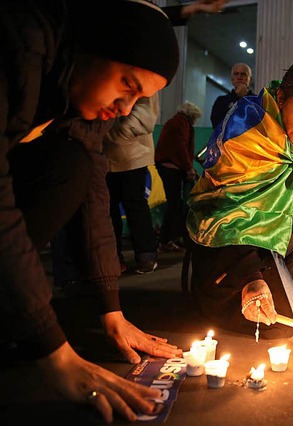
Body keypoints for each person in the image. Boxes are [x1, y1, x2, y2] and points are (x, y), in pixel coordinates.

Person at [0, 0, 193, 423]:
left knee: (77, 167)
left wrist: (111, 308)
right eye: (127, 84)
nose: (125, 108)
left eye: (138, 98)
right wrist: (52, 350)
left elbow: (92, 193)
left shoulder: (77, 90)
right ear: (92, 46)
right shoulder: (19, 45)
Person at [185, 57, 293, 338]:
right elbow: (224, 210)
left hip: (273, 231)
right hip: (229, 243)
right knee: (282, 323)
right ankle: (269, 286)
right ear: (281, 98)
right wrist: (252, 276)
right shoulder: (246, 131)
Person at [104, 94, 160, 275]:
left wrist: (123, 130)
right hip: (112, 150)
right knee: (111, 207)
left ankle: (144, 255)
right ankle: (117, 256)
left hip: (130, 152)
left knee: (133, 205)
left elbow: (147, 110)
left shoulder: (143, 73)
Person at [155, 101, 202, 253]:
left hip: (171, 168)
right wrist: (189, 168)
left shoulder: (176, 123)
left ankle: (170, 239)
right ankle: (166, 239)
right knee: (174, 205)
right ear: (192, 116)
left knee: (175, 204)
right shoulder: (180, 124)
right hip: (171, 169)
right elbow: (181, 148)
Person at [210, 62, 254, 129]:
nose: (239, 77)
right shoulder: (221, 101)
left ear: (250, 80)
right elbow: (216, 124)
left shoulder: (257, 101)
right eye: (236, 74)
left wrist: (243, 97)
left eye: (243, 74)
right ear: (232, 79)